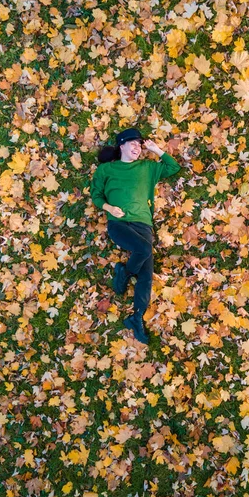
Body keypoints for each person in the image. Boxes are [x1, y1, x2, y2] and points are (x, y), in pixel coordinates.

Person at [90, 128, 181, 345]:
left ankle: (136, 316)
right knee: (145, 250)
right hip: (118, 223)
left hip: (143, 225)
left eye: (140, 145)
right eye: (133, 143)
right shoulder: (106, 170)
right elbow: (95, 194)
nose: (137, 147)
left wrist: (155, 149)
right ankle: (123, 272)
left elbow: (173, 167)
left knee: (146, 276)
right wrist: (109, 208)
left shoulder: (147, 167)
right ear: (121, 145)